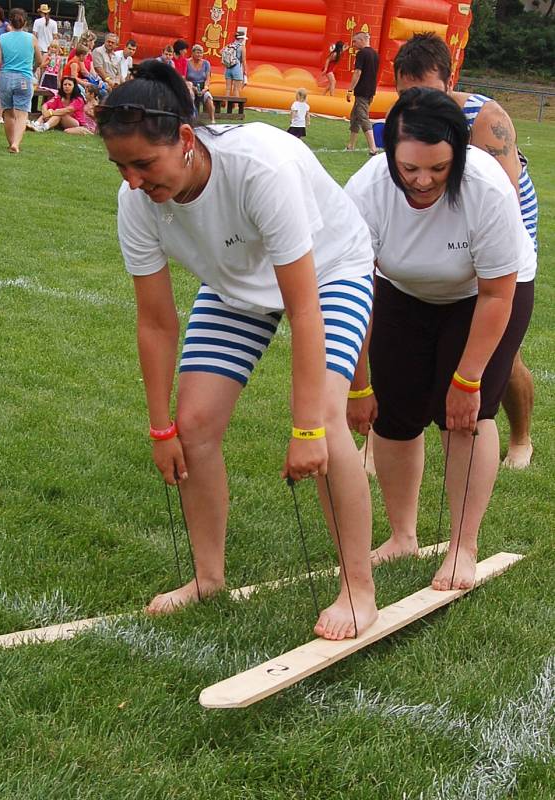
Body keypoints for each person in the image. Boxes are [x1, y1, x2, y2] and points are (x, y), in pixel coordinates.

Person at [96, 60, 380, 641]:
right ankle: (207, 578)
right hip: (236, 287)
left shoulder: (259, 168)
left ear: (183, 138)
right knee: (194, 423)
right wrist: (161, 429)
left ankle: (358, 588)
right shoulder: (136, 205)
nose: (131, 181)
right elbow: (155, 323)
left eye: (143, 164)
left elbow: (304, 310)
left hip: (328, 270)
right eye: (120, 166)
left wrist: (304, 428)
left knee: (326, 419)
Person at [344, 88, 536, 591]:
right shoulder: (365, 192)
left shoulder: (487, 190)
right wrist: (359, 385)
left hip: (485, 292)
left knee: (466, 419)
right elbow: (353, 289)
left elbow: (498, 294)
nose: (422, 181)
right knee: (395, 414)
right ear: (390, 155)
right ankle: (402, 535)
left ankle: (461, 546)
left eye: (437, 168)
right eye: (409, 169)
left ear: (458, 153)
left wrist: (467, 380)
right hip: (402, 288)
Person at [393, 33, 537, 470]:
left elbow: (503, 203)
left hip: (503, 223)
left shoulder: (486, 119)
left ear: (449, 81)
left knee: (497, 347)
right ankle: (391, 435)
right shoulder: (407, 120)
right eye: (406, 94)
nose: (416, 104)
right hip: (447, 215)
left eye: (426, 93)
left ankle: (520, 439)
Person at [0, 7, 42, 153]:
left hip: (6, 77)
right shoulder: (31, 38)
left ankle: (11, 142)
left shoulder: (2, 38)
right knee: (22, 114)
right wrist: (32, 69)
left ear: (9, 21)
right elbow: (40, 60)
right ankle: (16, 143)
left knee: (8, 112)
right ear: (25, 22)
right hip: (24, 78)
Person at [345, 31, 379, 155]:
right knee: (355, 117)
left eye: (355, 41)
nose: (353, 44)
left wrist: (350, 89)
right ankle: (351, 145)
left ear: (361, 40)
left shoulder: (362, 54)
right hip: (370, 91)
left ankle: (373, 147)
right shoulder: (375, 54)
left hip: (362, 92)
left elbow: (357, 73)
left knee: (363, 117)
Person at [186, 44, 215, 124]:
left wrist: (205, 88)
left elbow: (208, 78)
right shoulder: (186, 62)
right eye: (197, 52)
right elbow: (184, 78)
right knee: (190, 96)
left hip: (202, 86)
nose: (199, 55)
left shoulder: (206, 63)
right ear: (192, 53)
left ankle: (212, 120)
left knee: (208, 97)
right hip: (190, 86)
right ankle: (191, 118)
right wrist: (192, 87)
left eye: (201, 53)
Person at [223, 29, 246, 98]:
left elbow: (220, 52)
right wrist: (244, 71)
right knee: (236, 89)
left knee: (228, 89)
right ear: (241, 38)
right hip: (237, 67)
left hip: (228, 67)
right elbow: (244, 60)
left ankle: (226, 106)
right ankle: (236, 107)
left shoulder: (229, 45)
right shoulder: (242, 47)